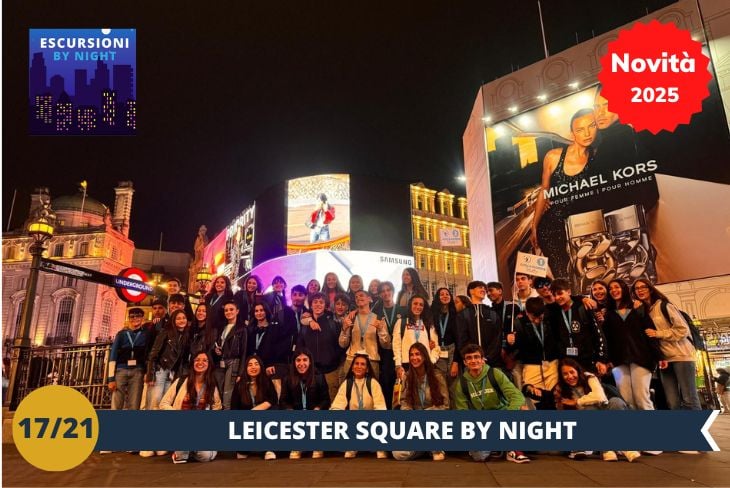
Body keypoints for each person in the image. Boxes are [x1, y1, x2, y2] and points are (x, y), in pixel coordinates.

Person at [530, 108, 598, 279]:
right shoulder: (553, 156)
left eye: (592, 126)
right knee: (563, 278)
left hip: (581, 229)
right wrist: (534, 226)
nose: (587, 133)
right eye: (580, 129)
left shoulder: (597, 157)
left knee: (586, 275)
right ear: (572, 133)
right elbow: (544, 190)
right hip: (552, 228)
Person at [453, 344, 529, 463]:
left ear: (483, 360)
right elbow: (463, 412)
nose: (473, 360)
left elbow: (517, 396)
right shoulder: (461, 383)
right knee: (480, 456)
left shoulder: (495, 373)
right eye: (469, 358)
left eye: (476, 357)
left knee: (524, 409)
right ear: (464, 362)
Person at [554, 358, 641, 462]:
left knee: (616, 402)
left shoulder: (589, 377)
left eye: (572, 372)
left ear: (578, 370)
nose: (570, 376)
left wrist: (577, 402)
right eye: (565, 374)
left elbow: (600, 397)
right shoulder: (561, 389)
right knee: (590, 409)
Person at [633, 279, 701, 410]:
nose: (640, 290)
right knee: (672, 401)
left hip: (681, 356)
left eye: (643, 287)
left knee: (689, 399)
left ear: (650, 289)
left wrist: (658, 333)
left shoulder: (664, 306)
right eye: (637, 289)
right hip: (664, 360)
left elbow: (683, 330)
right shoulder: (644, 311)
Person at [602, 280, 662, 410]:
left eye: (617, 287)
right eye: (611, 288)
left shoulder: (638, 308)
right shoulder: (609, 314)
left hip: (641, 358)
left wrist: (659, 356)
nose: (614, 290)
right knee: (627, 400)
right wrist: (607, 360)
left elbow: (650, 333)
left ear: (624, 289)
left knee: (641, 398)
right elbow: (607, 339)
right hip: (618, 361)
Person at [160, 352, 221, 464]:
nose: (200, 363)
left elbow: (217, 408)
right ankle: (183, 452)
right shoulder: (181, 381)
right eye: (197, 360)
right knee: (181, 458)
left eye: (204, 360)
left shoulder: (212, 385)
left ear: (209, 364)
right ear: (192, 362)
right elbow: (163, 403)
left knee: (205, 456)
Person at [392, 343, 449, 461]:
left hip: (434, 421)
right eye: (411, 355)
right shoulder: (407, 377)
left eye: (417, 354)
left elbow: (445, 405)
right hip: (415, 424)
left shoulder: (437, 376)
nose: (414, 358)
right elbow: (404, 401)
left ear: (424, 356)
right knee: (398, 454)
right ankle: (426, 448)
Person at [330, 352, 387, 459]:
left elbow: (381, 407)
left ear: (367, 369)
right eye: (356, 364)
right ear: (352, 367)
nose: (359, 366)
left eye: (362, 364)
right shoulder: (347, 384)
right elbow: (337, 405)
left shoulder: (373, 383)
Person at [506, 298, 560, 410]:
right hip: (531, 365)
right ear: (526, 312)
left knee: (555, 396)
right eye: (533, 318)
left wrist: (582, 298)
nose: (536, 321)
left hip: (552, 364)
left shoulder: (551, 317)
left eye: (540, 318)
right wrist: (510, 341)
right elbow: (515, 348)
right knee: (533, 395)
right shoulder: (518, 323)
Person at [548, 279, 608, 375]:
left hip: (588, 361)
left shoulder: (583, 307)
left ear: (568, 292)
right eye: (554, 295)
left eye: (560, 293)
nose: (557, 298)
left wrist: (601, 359)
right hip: (567, 363)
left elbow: (598, 334)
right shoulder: (554, 312)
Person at [279, 348, 330, 459]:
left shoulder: (319, 378)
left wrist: (318, 408)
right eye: (298, 360)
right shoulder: (287, 379)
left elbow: (326, 400)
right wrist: (289, 410)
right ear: (294, 363)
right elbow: (283, 401)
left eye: (304, 360)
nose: (301, 364)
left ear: (310, 361)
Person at [231, 355, 278, 460]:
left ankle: (269, 449)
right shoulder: (239, 385)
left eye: (256, 364)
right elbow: (234, 408)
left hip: (263, 418)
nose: (253, 367)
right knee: (241, 455)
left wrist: (255, 411)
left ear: (261, 367)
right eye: (250, 365)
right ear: (246, 368)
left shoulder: (266, 382)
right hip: (246, 421)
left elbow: (273, 400)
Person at [298, 292, 344, 402]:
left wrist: (334, 360)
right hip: (311, 371)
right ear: (310, 304)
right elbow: (300, 346)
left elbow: (340, 345)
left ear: (326, 305)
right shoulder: (305, 324)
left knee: (333, 400)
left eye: (321, 302)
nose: (318, 305)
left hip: (331, 369)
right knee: (313, 402)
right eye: (315, 302)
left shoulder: (333, 322)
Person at [144, 309, 191, 413]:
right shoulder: (165, 332)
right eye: (178, 318)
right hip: (160, 370)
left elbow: (183, 359)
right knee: (155, 401)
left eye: (184, 318)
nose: (182, 320)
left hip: (172, 373)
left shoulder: (185, 336)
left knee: (164, 403)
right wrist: (150, 375)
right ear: (173, 320)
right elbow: (153, 353)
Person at [339, 290, 391, 381]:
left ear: (369, 299)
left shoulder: (378, 318)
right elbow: (342, 344)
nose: (358, 298)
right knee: (349, 392)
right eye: (356, 297)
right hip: (352, 360)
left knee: (371, 392)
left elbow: (386, 345)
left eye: (361, 295)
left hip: (371, 361)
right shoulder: (351, 318)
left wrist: (381, 330)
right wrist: (344, 329)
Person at [108, 308, 150, 411]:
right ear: (129, 318)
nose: (135, 318)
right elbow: (113, 355)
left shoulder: (146, 334)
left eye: (138, 316)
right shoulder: (121, 334)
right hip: (121, 370)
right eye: (132, 316)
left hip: (138, 371)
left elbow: (148, 354)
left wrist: (147, 372)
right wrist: (111, 379)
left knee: (135, 403)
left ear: (142, 318)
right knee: (116, 403)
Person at [456, 281, 505, 370]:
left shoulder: (492, 313)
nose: (483, 289)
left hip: (492, 363)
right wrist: (472, 358)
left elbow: (497, 339)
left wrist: (487, 358)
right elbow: (461, 339)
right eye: (480, 287)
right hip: (471, 363)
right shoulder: (463, 315)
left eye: (484, 288)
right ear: (471, 291)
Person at [393, 295, 440, 379]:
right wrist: (398, 365)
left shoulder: (428, 324)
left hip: (425, 365)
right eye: (415, 303)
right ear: (410, 305)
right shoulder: (401, 322)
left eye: (421, 305)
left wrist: (431, 361)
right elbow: (396, 345)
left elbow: (436, 347)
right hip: (406, 364)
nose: (418, 307)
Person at [212, 300, 248, 409]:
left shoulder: (242, 329)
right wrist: (216, 350)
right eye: (226, 310)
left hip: (234, 363)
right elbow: (220, 344)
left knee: (228, 393)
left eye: (231, 309)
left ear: (237, 311)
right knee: (219, 391)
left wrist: (241, 373)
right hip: (220, 362)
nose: (228, 312)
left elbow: (244, 351)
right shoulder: (222, 327)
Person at [374, 281, 403, 408]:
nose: (386, 293)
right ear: (380, 295)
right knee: (386, 385)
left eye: (388, 290)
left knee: (401, 385)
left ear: (392, 291)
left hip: (400, 353)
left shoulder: (403, 310)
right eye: (383, 291)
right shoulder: (377, 313)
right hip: (384, 354)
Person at [431, 287, 460, 392]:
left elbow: (459, 340)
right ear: (437, 297)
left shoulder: (455, 314)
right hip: (438, 350)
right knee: (441, 384)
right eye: (442, 294)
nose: (445, 296)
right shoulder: (433, 315)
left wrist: (456, 362)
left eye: (447, 294)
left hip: (452, 350)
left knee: (454, 385)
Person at [188, 303, 215, 372]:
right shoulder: (190, 328)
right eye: (199, 310)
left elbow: (210, 351)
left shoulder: (212, 331)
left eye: (204, 311)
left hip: (202, 366)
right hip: (188, 364)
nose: (200, 313)